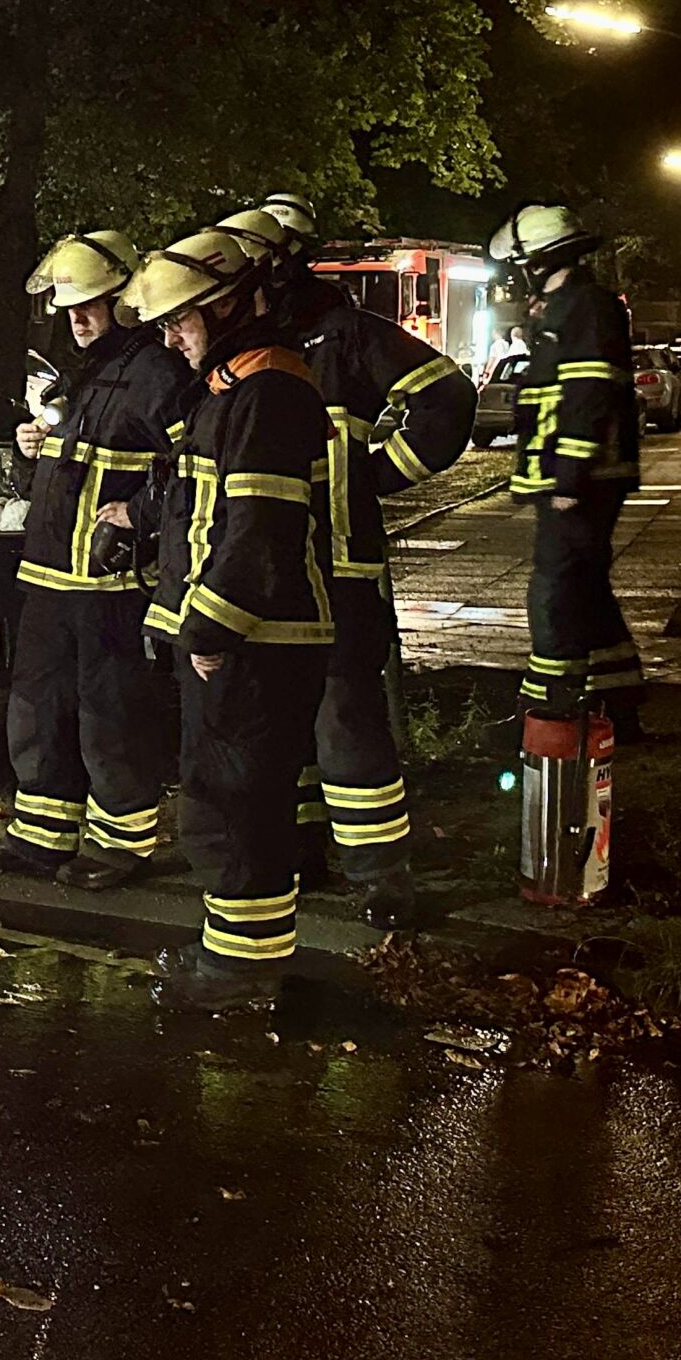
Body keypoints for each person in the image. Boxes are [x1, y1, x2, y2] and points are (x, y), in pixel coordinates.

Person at [221, 199, 476, 931]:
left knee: (347, 720)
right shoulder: (242, 347)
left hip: (339, 565)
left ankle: (379, 872)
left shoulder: (344, 336)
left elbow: (445, 395)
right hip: (271, 569)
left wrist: (377, 474)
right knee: (282, 717)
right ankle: (302, 848)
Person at [102, 230, 333, 1012]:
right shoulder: (236, 389)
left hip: (251, 647)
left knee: (236, 811)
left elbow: (257, 536)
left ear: (230, 305)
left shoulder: (267, 395)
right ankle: (235, 955)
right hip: (237, 645)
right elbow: (195, 509)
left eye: (182, 320)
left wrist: (208, 632)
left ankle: (238, 974)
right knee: (224, 803)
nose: (170, 337)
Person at [0, 232, 196, 888]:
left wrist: (142, 514)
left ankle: (123, 844)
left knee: (112, 715)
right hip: (49, 576)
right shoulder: (86, 374)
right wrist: (31, 444)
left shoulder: (158, 374)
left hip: (110, 582)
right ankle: (42, 835)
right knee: (38, 708)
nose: (77, 317)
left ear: (122, 300)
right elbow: (78, 464)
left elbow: (192, 467)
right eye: (70, 307)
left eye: (91, 304)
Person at [489, 202, 644, 733]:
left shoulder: (584, 307)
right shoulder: (566, 306)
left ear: (537, 259)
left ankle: (552, 709)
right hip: (571, 477)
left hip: (580, 480)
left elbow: (588, 392)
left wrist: (570, 476)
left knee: (555, 593)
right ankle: (618, 701)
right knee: (588, 591)